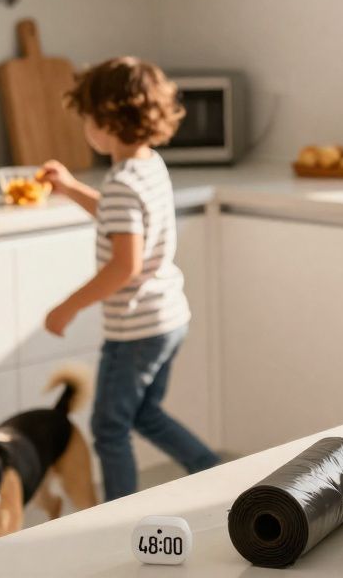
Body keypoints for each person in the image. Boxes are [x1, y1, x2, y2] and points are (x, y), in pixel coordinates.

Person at [40, 57, 219, 499]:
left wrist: (68, 306)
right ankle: (212, 470)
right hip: (168, 318)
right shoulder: (147, 166)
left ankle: (117, 518)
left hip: (134, 330)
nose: (84, 125)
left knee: (108, 427)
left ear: (106, 120)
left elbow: (125, 265)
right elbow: (120, 219)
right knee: (144, 415)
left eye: (86, 116)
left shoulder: (122, 182)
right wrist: (71, 188)